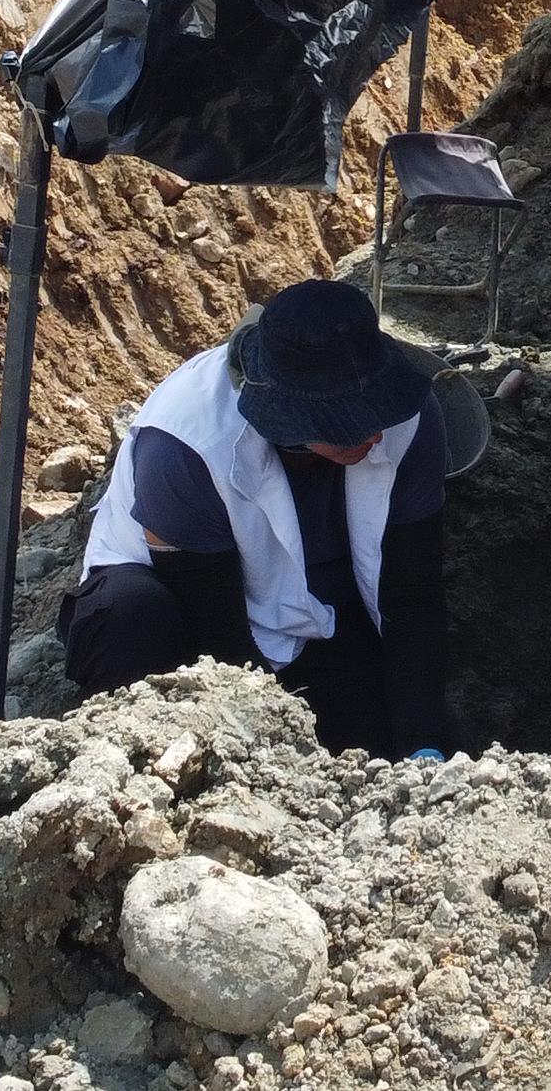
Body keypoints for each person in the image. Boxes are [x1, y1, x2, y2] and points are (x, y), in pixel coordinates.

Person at [65, 280, 454, 759]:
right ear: (290, 416)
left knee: (381, 736)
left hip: (317, 600)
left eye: (377, 410)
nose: (375, 432)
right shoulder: (187, 442)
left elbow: (412, 596)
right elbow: (215, 628)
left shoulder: (412, 419)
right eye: (350, 422)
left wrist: (423, 742)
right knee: (133, 618)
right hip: (184, 602)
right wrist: (267, 752)